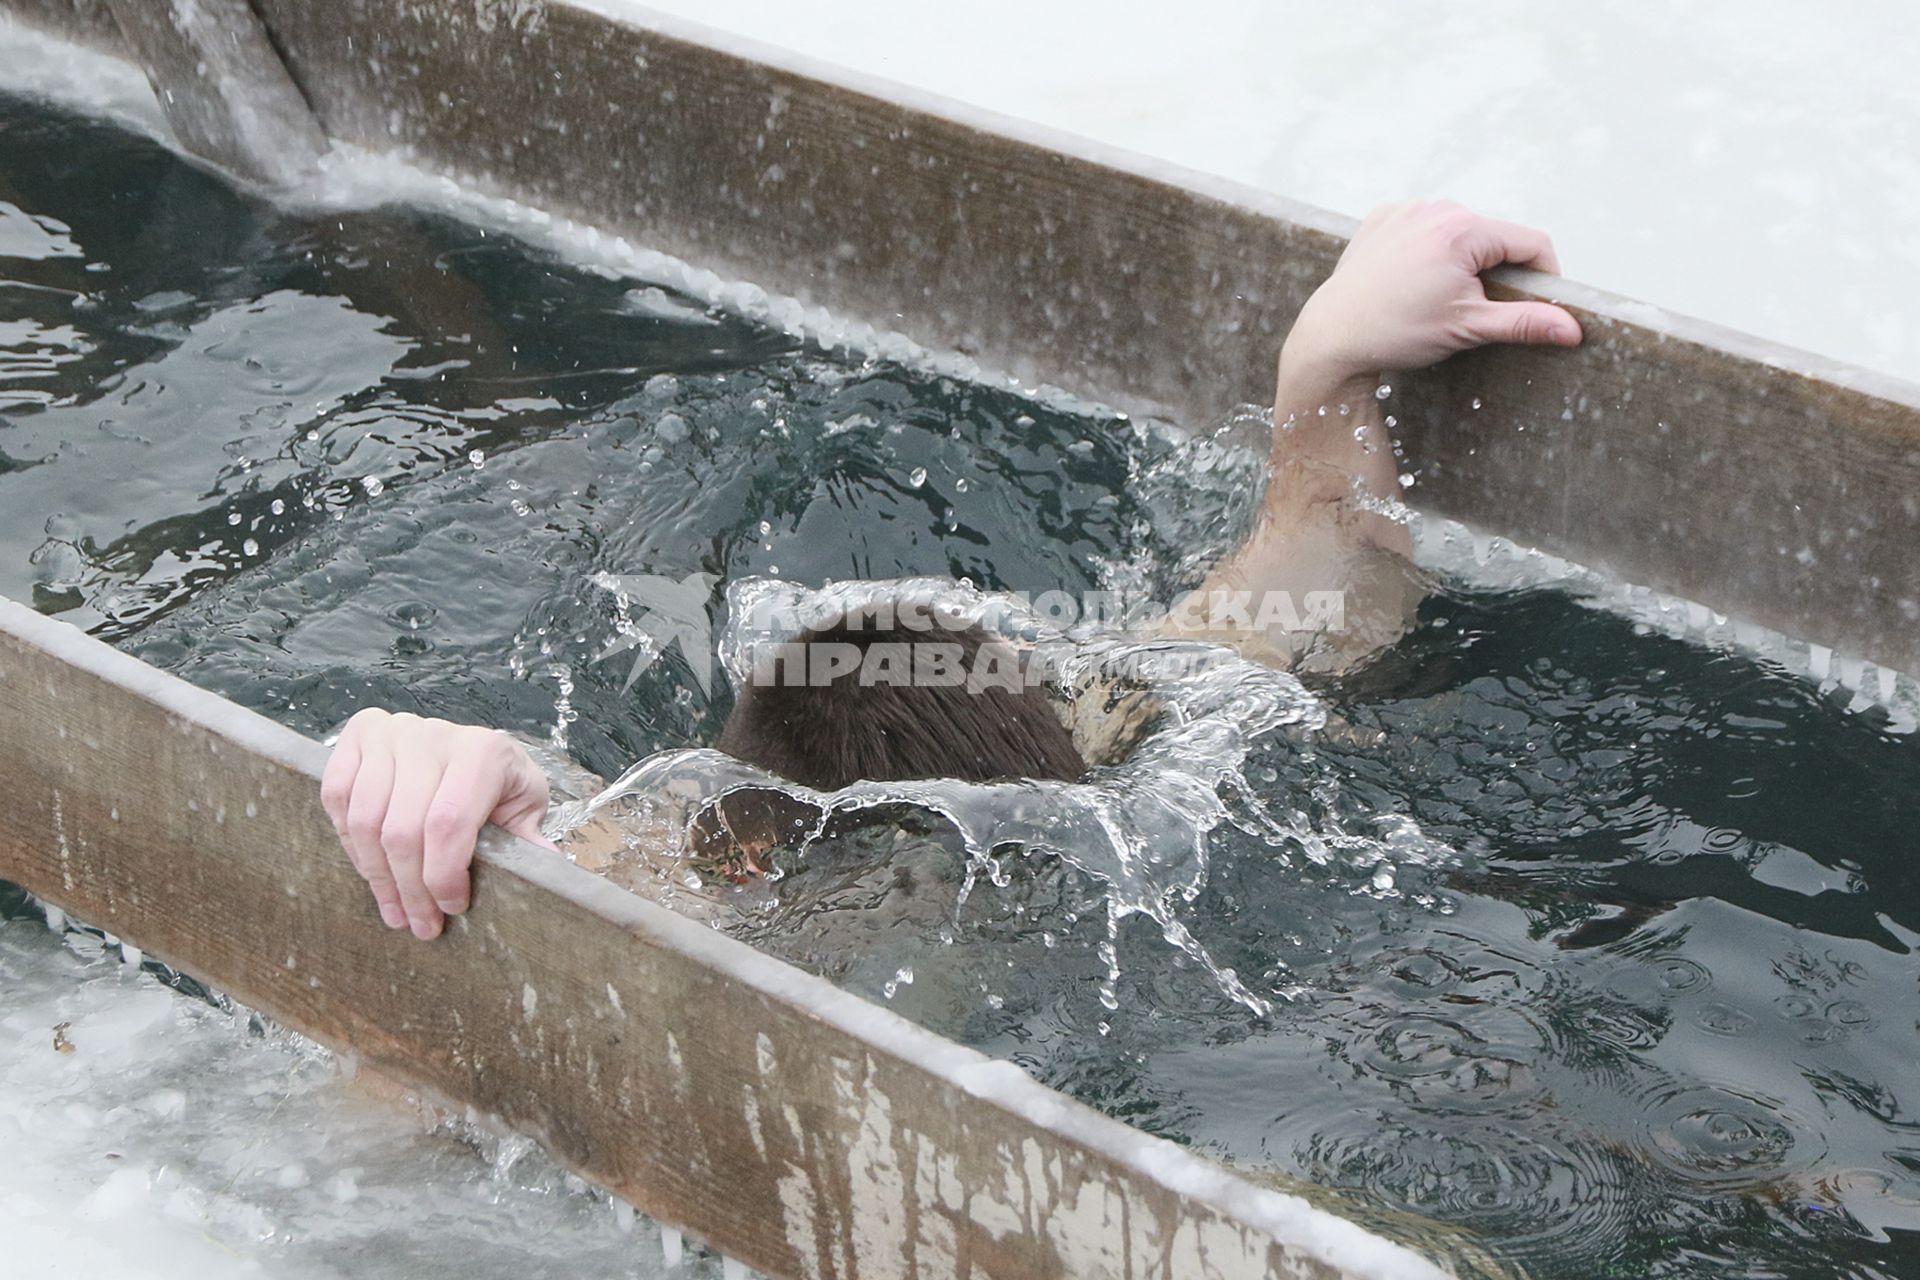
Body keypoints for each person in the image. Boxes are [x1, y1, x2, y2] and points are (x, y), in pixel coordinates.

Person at [320, 200, 1582, 940]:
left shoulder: (1099, 736)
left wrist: (1330, 358)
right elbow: (511, 828)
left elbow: (1315, 573)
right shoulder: (669, 879)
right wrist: (443, 766)